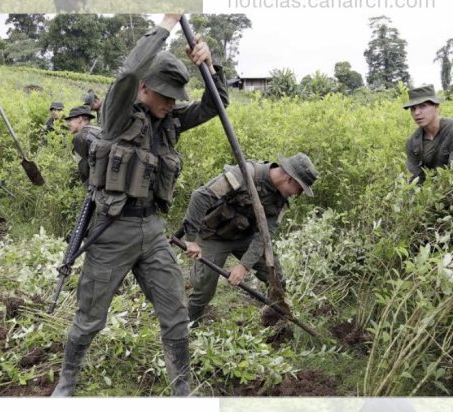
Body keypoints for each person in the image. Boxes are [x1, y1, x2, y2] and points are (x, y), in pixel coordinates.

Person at [52, 14, 228, 397]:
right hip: (111, 230)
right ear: (146, 89)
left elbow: (218, 106)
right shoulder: (116, 115)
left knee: (176, 317)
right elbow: (128, 72)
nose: (171, 103)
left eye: (175, 98)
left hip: (152, 231)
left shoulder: (171, 121)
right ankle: (67, 381)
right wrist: (164, 26)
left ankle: (181, 390)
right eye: (165, 95)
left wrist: (208, 66)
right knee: (89, 319)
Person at [181, 153, 318, 325]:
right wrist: (191, 239)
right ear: (289, 179)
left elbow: (264, 236)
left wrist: (244, 266)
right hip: (213, 236)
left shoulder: (281, 200)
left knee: (276, 278)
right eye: (300, 189)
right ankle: (190, 322)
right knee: (205, 287)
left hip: (245, 238)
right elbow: (200, 196)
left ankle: (276, 319)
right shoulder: (244, 174)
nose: (298, 195)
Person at [402, 84, 453, 184]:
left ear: (436, 106)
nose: (417, 113)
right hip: (438, 189)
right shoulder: (413, 142)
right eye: (413, 108)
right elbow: (415, 180)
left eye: (422, 106)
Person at [65, 105, 97, 183]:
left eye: (70, 120)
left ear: (80, 119)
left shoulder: (79, 137)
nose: (68, 124)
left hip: (94, 185)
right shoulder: (98, 130)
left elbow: (84, 170)